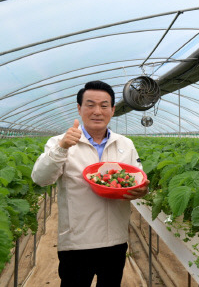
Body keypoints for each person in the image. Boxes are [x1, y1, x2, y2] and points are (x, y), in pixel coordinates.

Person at [31, 80, 149, 287]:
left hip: (116, 240)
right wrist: (62, 148)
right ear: (79, 108)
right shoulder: (61, 142)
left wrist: (142, 190)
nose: (97, 111)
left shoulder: (125, 144)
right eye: (90, 105)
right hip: (77, 243)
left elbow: (138, 178)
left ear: (112, 110)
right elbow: (40, 179)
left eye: (104, 106)